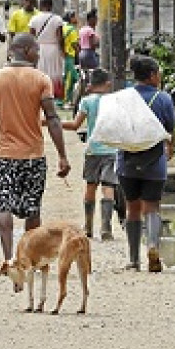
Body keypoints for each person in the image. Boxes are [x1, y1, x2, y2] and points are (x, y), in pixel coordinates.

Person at [0, 33, 71, 271]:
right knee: (33, 210)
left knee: (3, 207)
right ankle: (27, 258)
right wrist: (62, 155)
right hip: (34, 157)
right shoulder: (40, 80)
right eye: (36, 51)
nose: (39, 55)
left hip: (4, 156)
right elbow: (53, 119)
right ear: (26, 51)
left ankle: (8, 259)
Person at [117, 55, 175, 272]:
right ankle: (153, 247)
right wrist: (170, 149)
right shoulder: (163, 99)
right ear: (152, 75)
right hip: (154, 161)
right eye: (158, 73)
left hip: (127, 160)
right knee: (151, 207)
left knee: (132, 208)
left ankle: (133, 260)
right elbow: (170, 129)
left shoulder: (123, 97)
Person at [61, 68, 120, 240]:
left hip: (93, 150)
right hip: (111, 150)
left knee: (90, 186)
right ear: (108, 84)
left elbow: (75, 125)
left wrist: (51, 122)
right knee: (108, 187)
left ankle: (88, 227)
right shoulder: (115, 101)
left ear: (90, 85)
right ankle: (106, 228)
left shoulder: (87, 101)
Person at [29, 0, 65, 100]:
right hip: (53, 49)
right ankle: (53, 94)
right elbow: (60, 38)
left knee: (40, 71)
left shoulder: (34, 19)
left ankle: (40, 93)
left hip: (39, 49)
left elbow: (31, 37)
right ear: (51, 6)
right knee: (54, 72)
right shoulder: (57, 19)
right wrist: (62, 51)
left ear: (40, 5)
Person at [62, 10, 80, 105]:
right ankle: (65, 100)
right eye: (74, 17)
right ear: (71, 18)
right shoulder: (72, 30)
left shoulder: (63, 28)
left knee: (71, 78)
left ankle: (70, 100)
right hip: (70, 56)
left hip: (63, 56)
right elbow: (74, 44)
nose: (76, 19)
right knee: (69, 79)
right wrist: (79, 54)